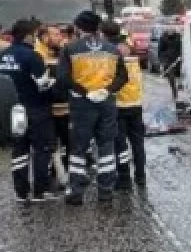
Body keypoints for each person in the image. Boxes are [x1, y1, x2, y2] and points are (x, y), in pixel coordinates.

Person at [57, 11, 127, 205]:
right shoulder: (112, 49)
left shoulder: (70, 48)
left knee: (79, 148)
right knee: (106, 146)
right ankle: (106, 191)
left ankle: (76, 192)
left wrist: (85, 91)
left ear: (79, 27)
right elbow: (123, 76)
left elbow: (63, 78)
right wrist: (107, 90)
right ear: (97, 27)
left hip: (82, 104)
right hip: (106, 104)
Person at [0, 19, 57, 202]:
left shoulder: (3, 54)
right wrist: (54, 88)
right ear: (27, 36)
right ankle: (41, 190)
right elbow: (42, 85)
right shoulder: (32, 56)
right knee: (41, 149)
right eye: (34, 35)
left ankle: (21, 192)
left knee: (19, 150)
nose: (35, 39)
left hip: (12, 111)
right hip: (35, 109)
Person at [107, 25, 146, 190]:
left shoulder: (113, 56)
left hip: (120, 106)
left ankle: (124, 178)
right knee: (137, 143)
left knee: (121, 144)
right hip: (136, 104)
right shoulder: (133, 55)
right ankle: (141, 176)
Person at [36, 25, 72, 189]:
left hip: (65, 108)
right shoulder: (38, 55)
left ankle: (66, 173)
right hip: (49, 109)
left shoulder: (62, 51)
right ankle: (55, 175)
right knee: (51, 144)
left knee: (68, 142)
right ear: (44, 38)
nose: (60, 37)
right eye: (56, 35)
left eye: (60, 34)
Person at [157, 29, 182, 102]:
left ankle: (181, 86)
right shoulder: (163, 38)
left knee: (182, 74)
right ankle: (175, 93)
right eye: (169, 29)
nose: (170, 30)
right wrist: (162, 62)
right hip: (167, 60)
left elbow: (182, 47)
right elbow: (160, 51)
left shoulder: (178, 37)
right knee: (171, 77)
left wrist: (181, 55)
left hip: (178, 59)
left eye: (172, 29)